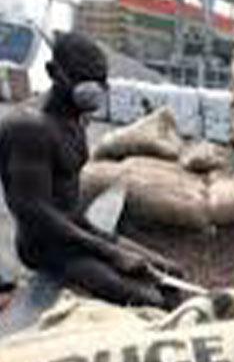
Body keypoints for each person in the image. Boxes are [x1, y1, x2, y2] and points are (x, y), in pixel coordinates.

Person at [0, 32, 183, 309]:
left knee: (171, 273)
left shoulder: (75, 119)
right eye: (85, 80)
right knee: (151, 300)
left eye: (100, 80)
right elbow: (34, 212)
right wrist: (110, 252)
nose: (95, 89)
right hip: (47, 248)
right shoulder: (28, 129)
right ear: (53, 72)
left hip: (79, 231)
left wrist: (104, 240)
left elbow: (68, 201)